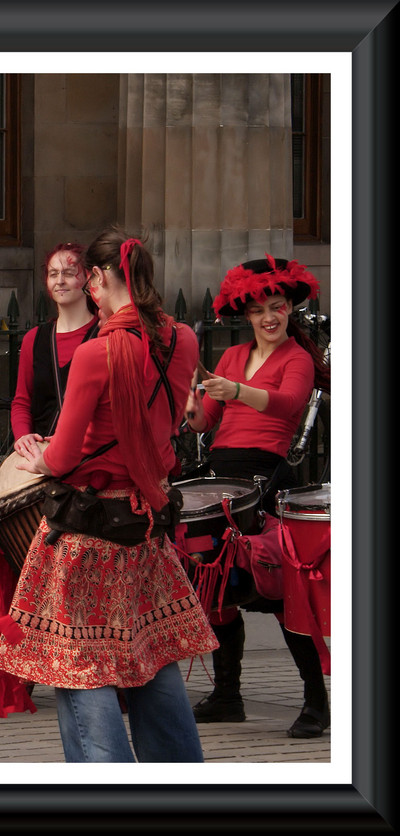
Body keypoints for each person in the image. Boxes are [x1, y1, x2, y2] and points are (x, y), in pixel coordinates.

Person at [0, 227, 218, 762]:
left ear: (94, 279)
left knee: (80, 666)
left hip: (89, 529)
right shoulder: (181, 338)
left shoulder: (95, 353)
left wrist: (37, 456)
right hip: (146, 525)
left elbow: (62, 458)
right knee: (152, 655)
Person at [0, 243, 99, 708]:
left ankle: (87, 673)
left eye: (70, 271)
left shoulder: (107, 333)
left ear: (89, 279)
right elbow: (22, 401)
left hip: (87, 465)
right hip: (39, 465)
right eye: (53, 273)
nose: (61, 280)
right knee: (13, 571)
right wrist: (23, 438)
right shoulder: (35, 338)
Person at [183, 255, 331, 739]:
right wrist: (191, 406)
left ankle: (317, 701)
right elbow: (206, 422)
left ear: (289, 309)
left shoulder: (298, 358)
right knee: (218, 584)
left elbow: (288, 404)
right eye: (260, 310)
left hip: (267, 479)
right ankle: (228, 694)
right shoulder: (228, 358)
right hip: (222, 475)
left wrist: (238, 390)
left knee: (287, 595)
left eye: (278, 306)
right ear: (246, 315)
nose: (270, 316)